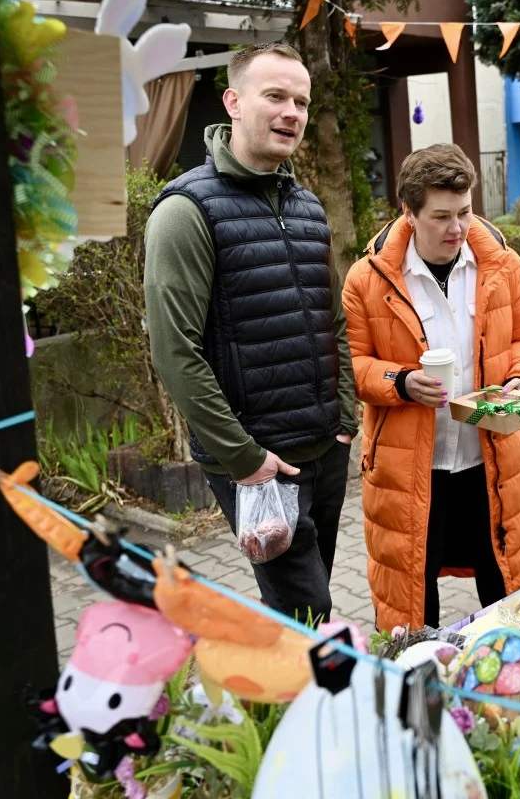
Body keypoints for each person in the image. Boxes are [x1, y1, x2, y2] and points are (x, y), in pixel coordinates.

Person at [144, 43, 358, 624]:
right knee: (307, 609)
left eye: (301, 101)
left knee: (302, 608)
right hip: (260, 462)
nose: (292, 112)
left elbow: (330, 318)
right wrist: (242, 458)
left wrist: (345, 418)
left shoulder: (307, 206)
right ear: (233, 103)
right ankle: (294, 704)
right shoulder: (187, 210)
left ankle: (293, 701)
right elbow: (173, 351)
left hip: (324, 449)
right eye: (276, 96)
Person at [342, 143, 520, 631]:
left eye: (466, 212)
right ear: (408, 213)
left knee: (506, 602)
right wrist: (400, 381)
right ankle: (423, 695)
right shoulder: (365, 280)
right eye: (441, 216)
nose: (458, 229)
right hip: (408, 471)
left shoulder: (502, 265)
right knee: (412, 609)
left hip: (491, 463)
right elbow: (350, 365)